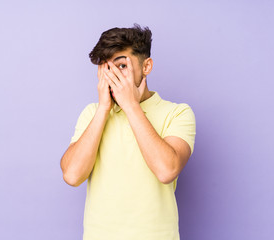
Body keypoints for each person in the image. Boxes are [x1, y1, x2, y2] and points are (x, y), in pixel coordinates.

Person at [60, 24, 196, 240]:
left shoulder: (177, 113)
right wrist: (104, 108)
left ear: (146, 66)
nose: (113, 75)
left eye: (121, 65)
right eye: (106, 68)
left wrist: (131, 105)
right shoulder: (92, 113)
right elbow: (72, 175)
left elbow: (166, 171)